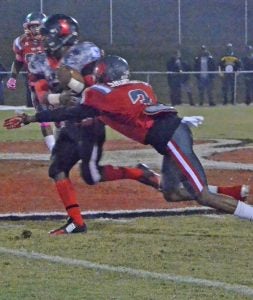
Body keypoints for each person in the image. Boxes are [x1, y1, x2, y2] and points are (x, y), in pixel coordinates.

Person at [4, 55, 253, 227]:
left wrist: (32, 118)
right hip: (171, 134)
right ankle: (227, 193)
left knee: (202, 197)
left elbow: (75, 111)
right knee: (171, 193)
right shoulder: (141, 85)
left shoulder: (102, 94)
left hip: (170, 138)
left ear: (105, 74)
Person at [17, 14, 162, 235]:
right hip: (67, 120)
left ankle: (139, 173)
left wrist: (76, 86)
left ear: (64, 36)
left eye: (49, 35)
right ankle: (76, 222)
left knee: (91, 175)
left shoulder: (85, 54)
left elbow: (99, 88)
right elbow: (41, 94)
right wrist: (59, 99)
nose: (43, 40)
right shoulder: (38, 61)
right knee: (57, 169)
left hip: (88, 122)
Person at [6, 12, 55, 152]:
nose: (34, 30)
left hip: (55, 83)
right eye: (31, 27)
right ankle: (53, 149)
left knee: (61, 115)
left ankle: (67, 143)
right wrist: (12, 77)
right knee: (43, 116)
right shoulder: (21, 42)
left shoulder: (52, 40)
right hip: (36, 85)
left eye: (37, 26)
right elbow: (18, 61)